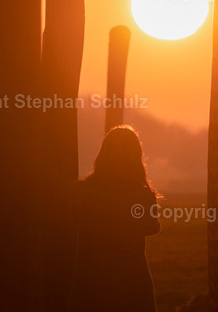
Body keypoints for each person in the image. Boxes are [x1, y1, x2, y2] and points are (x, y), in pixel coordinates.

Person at [69, 125, 161, 311]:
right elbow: (152, 227)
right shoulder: (142, 195)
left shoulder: (82, 191)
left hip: (91, 279)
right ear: (136, 157)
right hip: (131, 280)